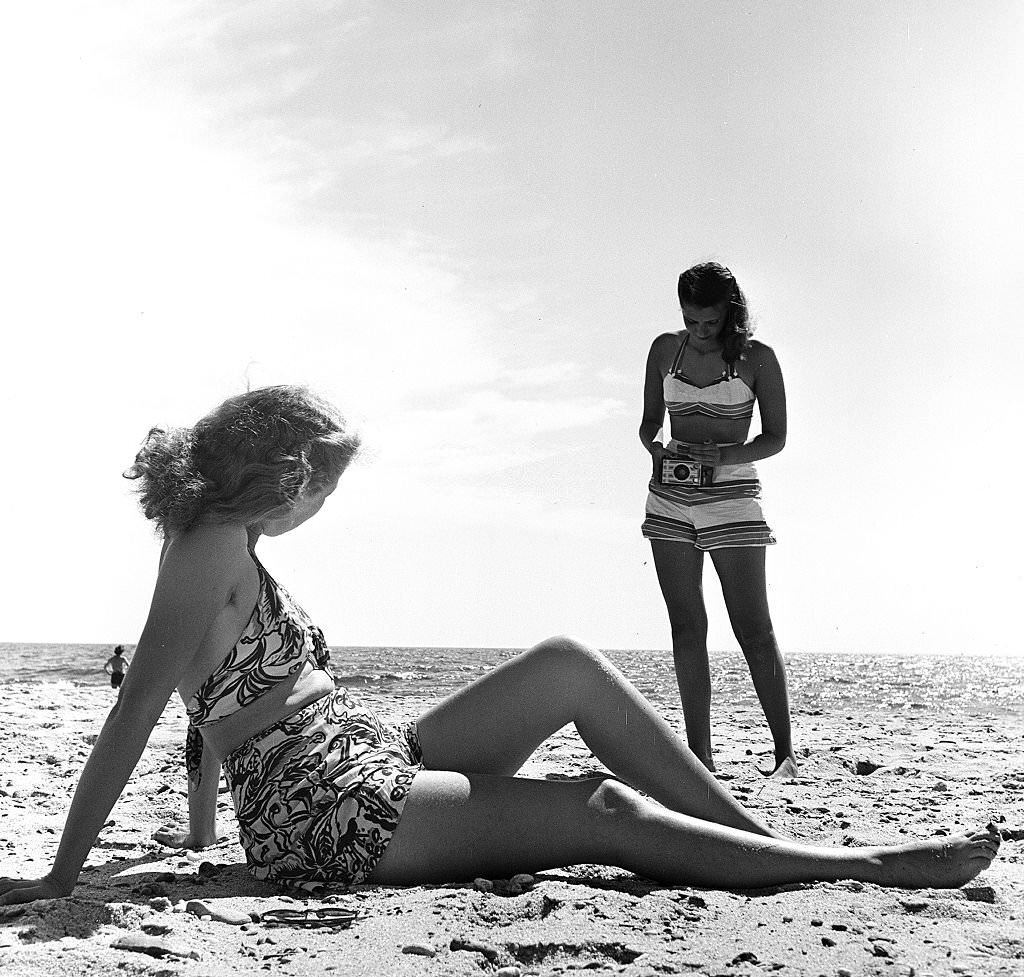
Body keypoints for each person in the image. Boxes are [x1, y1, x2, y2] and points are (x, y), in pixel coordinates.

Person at [0, 386, 1000, 906]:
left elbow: (204, 709)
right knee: (600, 808)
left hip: (360, 760)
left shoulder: (229, 540)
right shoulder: (208, 546)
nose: (328, 505)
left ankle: (777, 851)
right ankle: (858, 862)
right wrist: (59, 877)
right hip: (326, 811)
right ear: (288, 477)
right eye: (328, 487)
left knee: (565, 661)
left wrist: (206, 835)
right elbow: (140, 710)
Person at [640, 261, 796, 778]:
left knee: (753, 625)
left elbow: (774, 437)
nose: (700, 331)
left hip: (732, 498)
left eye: (709, 321)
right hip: (670, 497)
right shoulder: (666, 349)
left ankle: (784, 753)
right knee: (687, 626)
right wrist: (656, 447)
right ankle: (701, 758)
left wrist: (723, 459)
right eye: (691, 321)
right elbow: (647, 425)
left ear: (730, 311)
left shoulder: (758, 359)